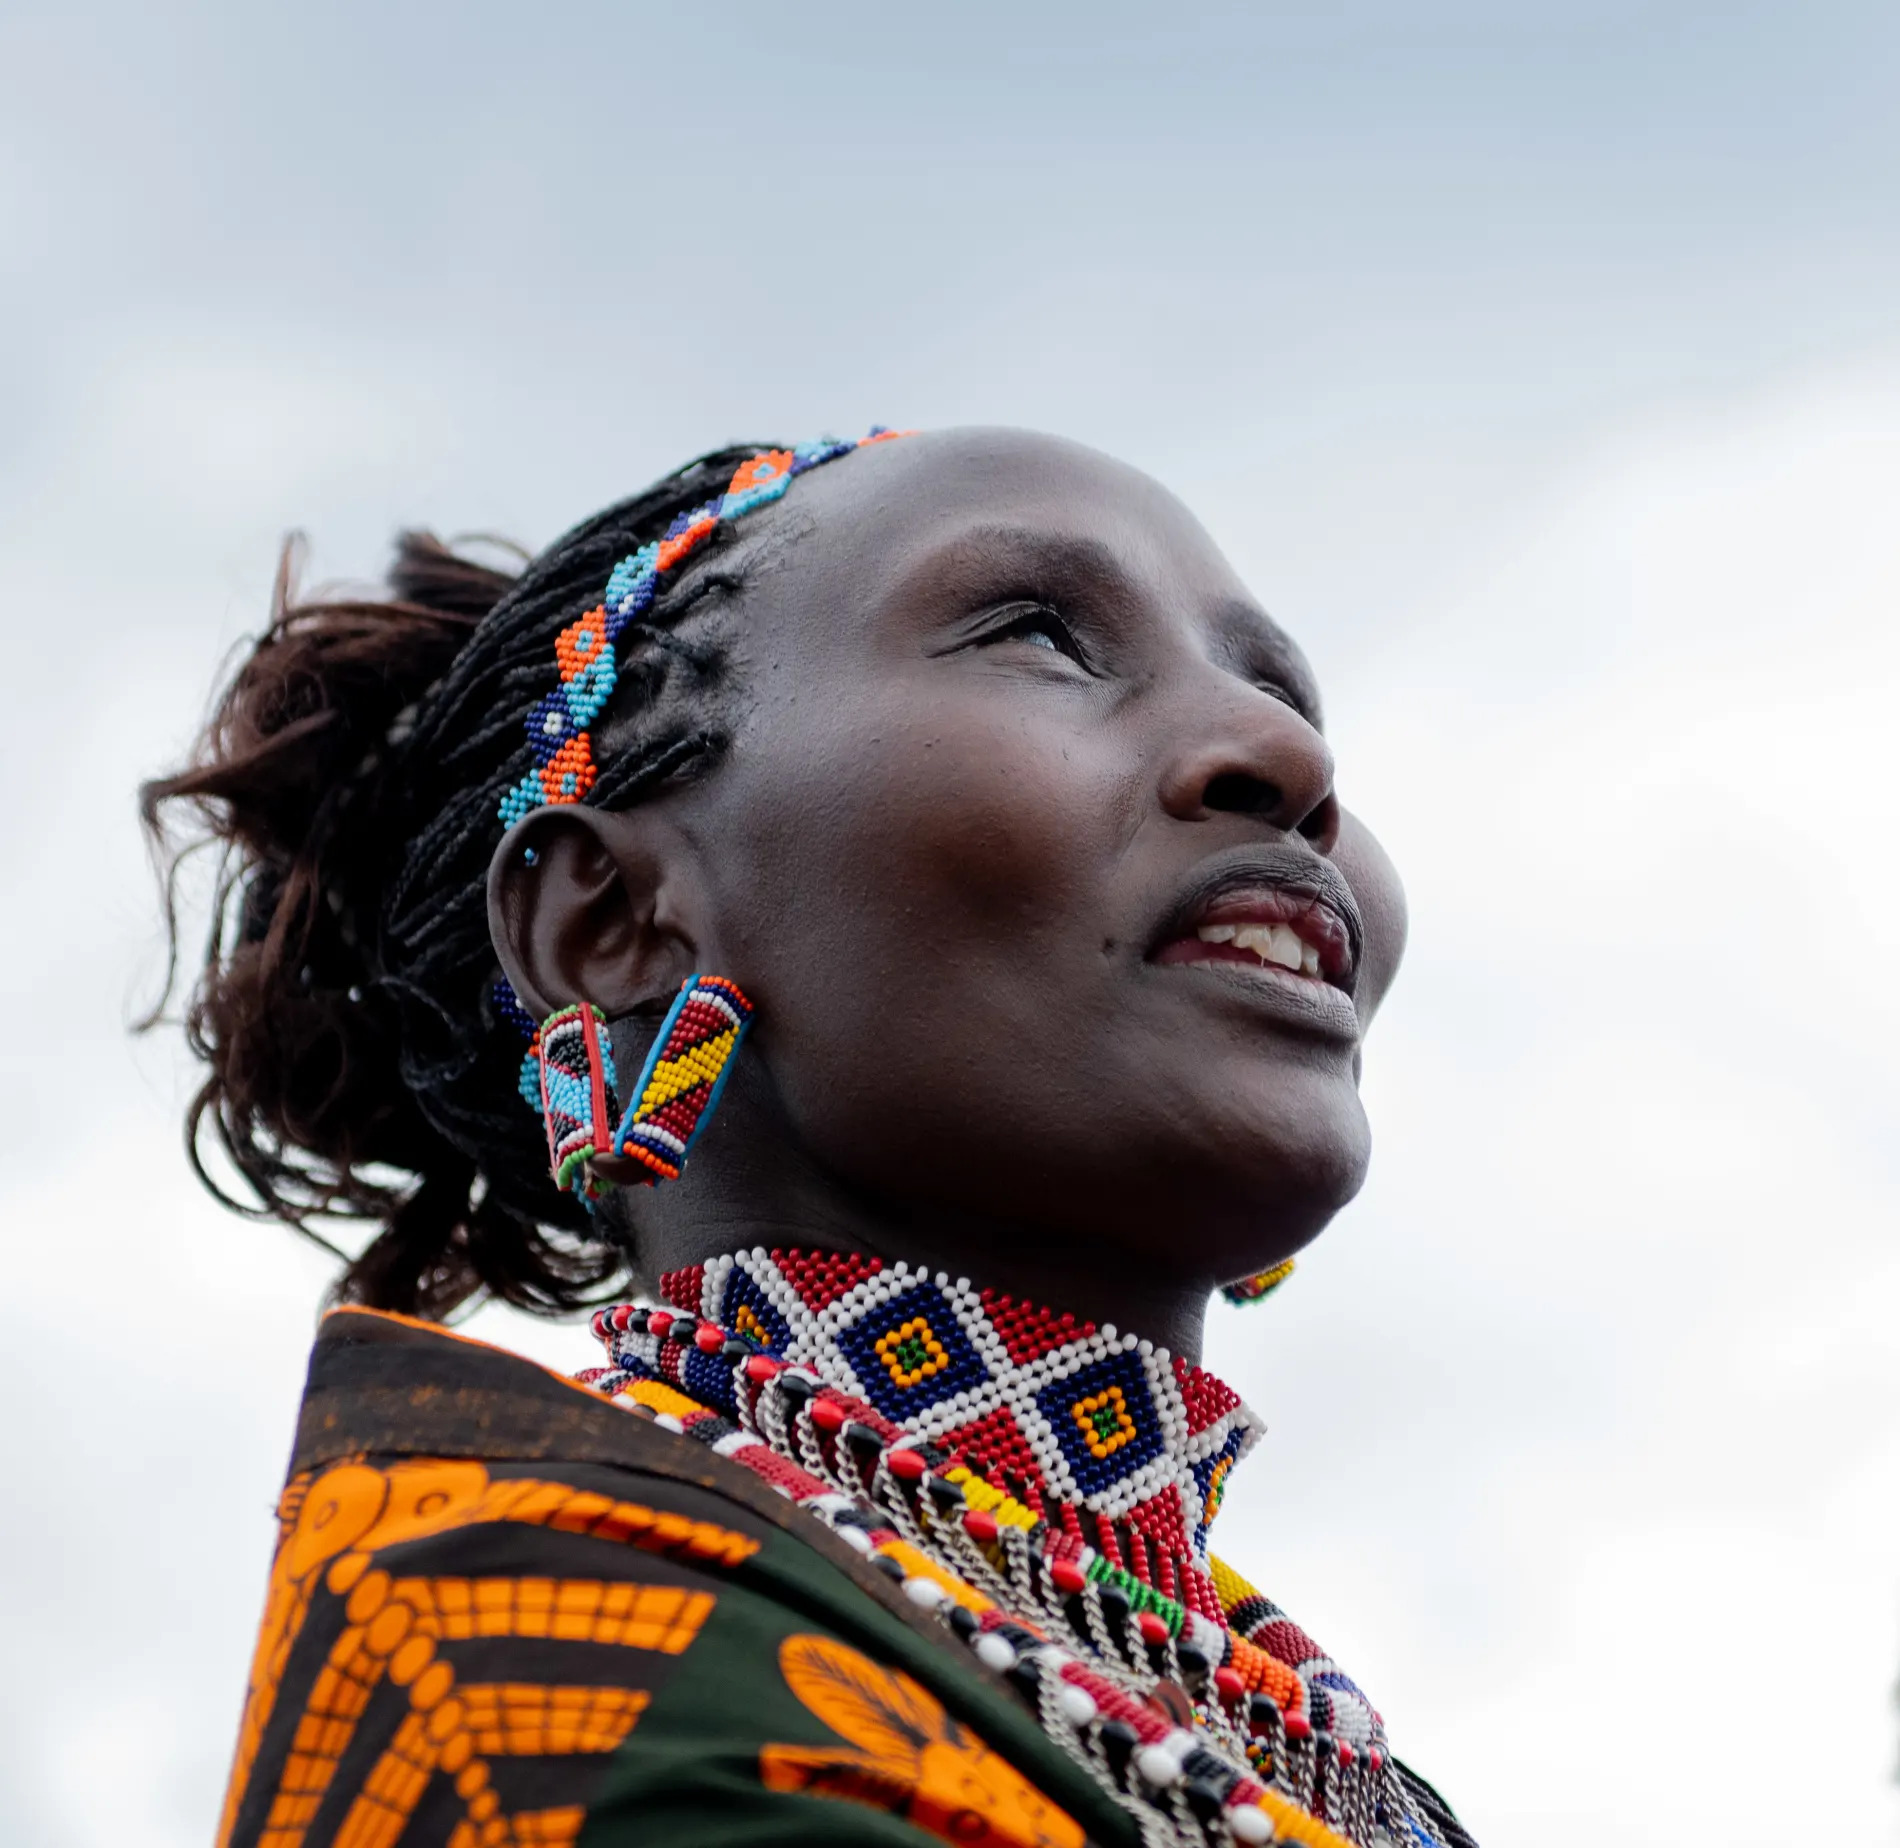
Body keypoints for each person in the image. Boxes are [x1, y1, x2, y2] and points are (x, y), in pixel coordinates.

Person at [145, 428, 1474, 1848]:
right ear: (608, 925)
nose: (1286, 756)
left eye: (1281, 691)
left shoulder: (1323, 1759)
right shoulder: (525, 1652)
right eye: (1039, 635)